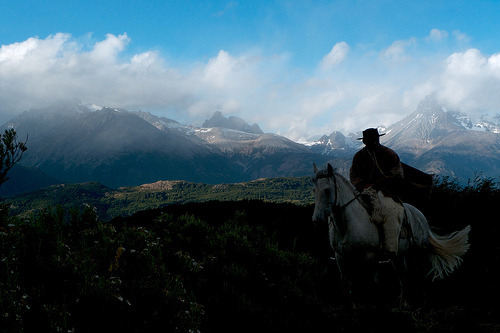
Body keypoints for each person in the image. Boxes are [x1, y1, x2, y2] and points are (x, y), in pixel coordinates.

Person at [349, 128, 405, 260]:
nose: (372, 143)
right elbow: (353, 175)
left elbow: (397, 174)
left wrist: (381, 184)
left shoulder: (389, 154)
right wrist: (363, 185)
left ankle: (390, 250)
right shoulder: (359, 156)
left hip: (386, 192)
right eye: (369, 141)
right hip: (363, 191)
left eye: (373, 140)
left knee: (390, 211)